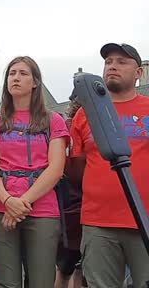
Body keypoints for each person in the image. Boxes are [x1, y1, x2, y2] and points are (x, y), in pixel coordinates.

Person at [0, 56, 69, 288]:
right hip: (0, 206)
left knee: (41, 281)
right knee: (5, 282)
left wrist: (20, 203)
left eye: (23, 73)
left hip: (42, 208)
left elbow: (56, 168)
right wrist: (8, 200)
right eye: (11, 74)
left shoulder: (54, 121)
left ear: (35, 82)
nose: (16, 78)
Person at [70, 43, 149, 287]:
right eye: (108, 62)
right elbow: (75, 166)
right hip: (98, 222)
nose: (112, 66)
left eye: (122, 62)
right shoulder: (85, 114)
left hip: (145, 219)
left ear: (139, 73)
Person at [55, 99, 84, 288]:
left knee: (66, 269)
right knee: (72, 269)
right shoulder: (65, 129)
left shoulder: (63, 128)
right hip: (73, 206)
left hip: (68, 207)